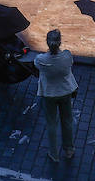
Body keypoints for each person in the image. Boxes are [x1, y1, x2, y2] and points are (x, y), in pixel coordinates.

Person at [33, 29, 77, 163]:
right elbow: (70, 65)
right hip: (65, 91)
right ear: (60, 42)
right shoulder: (67, 56)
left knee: (51, 123)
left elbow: (36, 64)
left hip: (49, 94)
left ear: (47, 43)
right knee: (67, 121)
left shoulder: (41, 60)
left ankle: (54, 153)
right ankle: (68, 149)